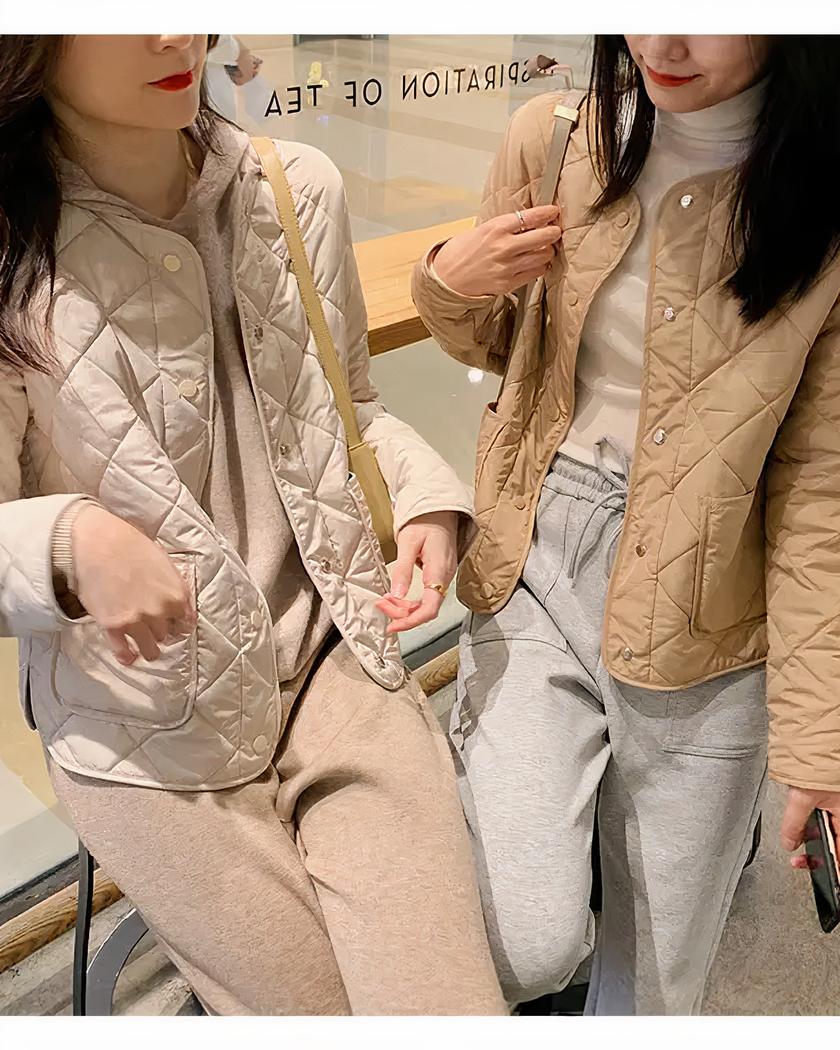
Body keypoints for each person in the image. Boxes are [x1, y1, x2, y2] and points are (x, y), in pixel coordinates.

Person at [0, 34, 507, 1016]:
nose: (175, 33)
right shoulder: (14, 251)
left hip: (336, 654)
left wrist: (425, 500)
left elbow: (351, 408)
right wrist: (68, 543)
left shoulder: (292, 187)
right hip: (148, 731)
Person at [412, 34, 840, 1015]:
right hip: (539, 559)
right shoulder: (556, 138)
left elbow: (820, 490)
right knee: (522, 939)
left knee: (654, 988)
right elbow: (499, 344)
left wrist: (820, 738)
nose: (661, 40)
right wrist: (449, 283)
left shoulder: (820, 201)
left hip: (715, 609)